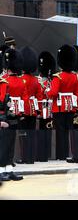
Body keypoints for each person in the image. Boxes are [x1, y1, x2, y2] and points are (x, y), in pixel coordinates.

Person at [46, 45, 78, 160]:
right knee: (68, 131)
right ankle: (69, 154)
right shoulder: (76, 77)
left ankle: (61, 155)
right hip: (70, 107)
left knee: (60, 132)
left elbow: (54, 92)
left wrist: (47, 91)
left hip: (59, 108)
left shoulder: (58, 77)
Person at [0, 48, 24, 181]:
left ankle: (8, 169)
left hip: (10, 114)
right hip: (6, 115)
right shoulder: (20, 81)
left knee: (8, 144)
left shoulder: (4, 80)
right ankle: (1, 170)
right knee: (5, 144)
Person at [18, 46, 39, 164]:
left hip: (24, 109)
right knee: (31, 134)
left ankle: (25, 157)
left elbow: (22, 95)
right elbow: (39, 96)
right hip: (33, 109)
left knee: (23, 134)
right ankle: (31, 157)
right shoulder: (36, 79)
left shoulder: (22, 79)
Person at [36, 51, 56, 162]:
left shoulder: (51, 80)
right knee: (41, 132)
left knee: (48, 132)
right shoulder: (38, 80)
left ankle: (48, 153)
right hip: (41, 109)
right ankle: (41, 154)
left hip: (49, 109)